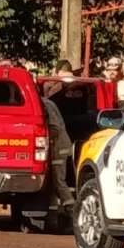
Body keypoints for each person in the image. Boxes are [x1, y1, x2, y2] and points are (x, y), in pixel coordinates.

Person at [41, 80, 76, 210]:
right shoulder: (46, 103)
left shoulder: (46, 105)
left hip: (59, 147)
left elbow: (55, 129)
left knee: (58, 179)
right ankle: (53, 208)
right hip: (56, 146)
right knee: (51, 181)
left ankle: (70, 206)